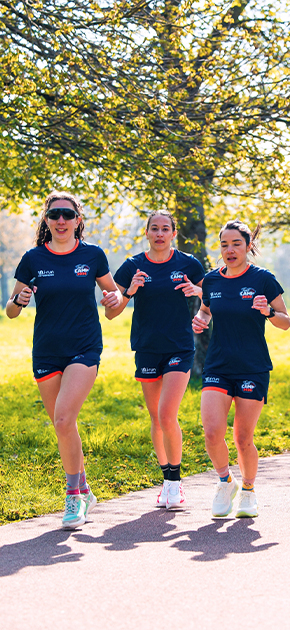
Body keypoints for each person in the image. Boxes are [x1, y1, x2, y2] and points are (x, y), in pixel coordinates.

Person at [6, 192, 123, 529]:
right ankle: (85, 489)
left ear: (77, 220)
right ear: (46, 220)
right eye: (54, 214)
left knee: (62, 417)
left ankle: (73, 498)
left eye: (67, 215)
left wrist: (114, 300)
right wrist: (19, 299)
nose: (61, 220)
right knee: (64, 425)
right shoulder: (32, 259)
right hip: (46, 349)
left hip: (84, 348)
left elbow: (114, 307)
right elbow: (11, 311)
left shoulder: (93, 255)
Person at [191, 220, 290, 518]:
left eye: (236, 244)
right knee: (211, 432)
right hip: (218, 364)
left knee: (243, 437)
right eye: (224, 245)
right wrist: (201, 319)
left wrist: (269, 312)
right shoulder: (211, 280)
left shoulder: (263, 279)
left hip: (252, 366)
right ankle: (225, 482)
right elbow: (206, 309)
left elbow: (285, 320)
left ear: (248, 246)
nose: (230, 250)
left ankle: (248, 490)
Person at [109, 210, 205, 510]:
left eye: (166, 229)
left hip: (179, 346)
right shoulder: (132, 266)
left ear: (173, 234)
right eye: (155, 228)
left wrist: (199, 295)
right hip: (147, 347)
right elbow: (112, 311)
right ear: (147, 233)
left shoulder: (188, 263)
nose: (160, 233)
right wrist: (130, 291)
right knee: (155, 417)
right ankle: (166, 479)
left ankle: (175, 484)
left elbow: (214, 295)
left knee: (166, 414)